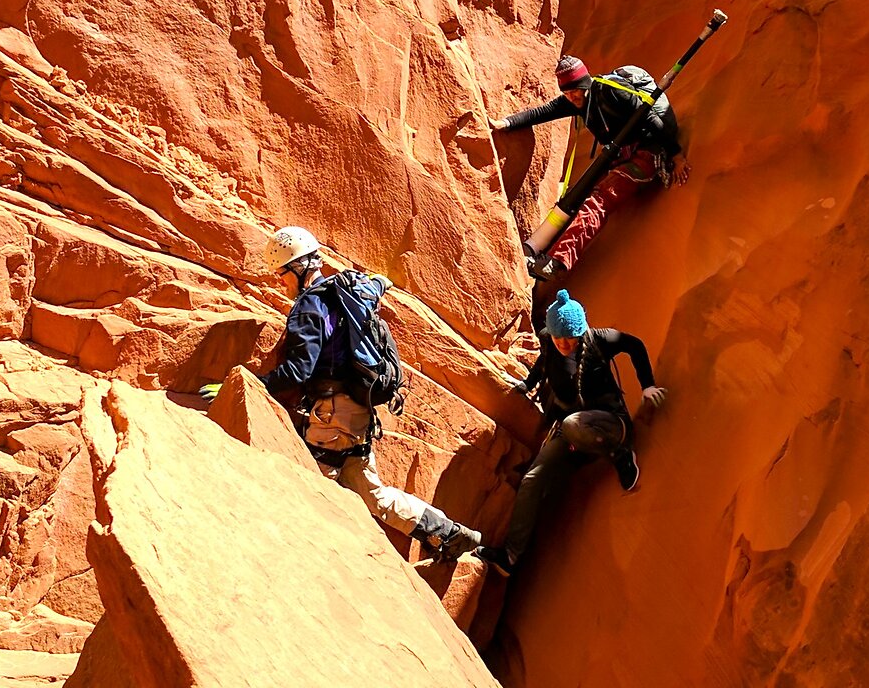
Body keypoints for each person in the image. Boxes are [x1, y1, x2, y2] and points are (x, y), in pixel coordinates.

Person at [200, 227, 481, 559]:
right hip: (357, 414)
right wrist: (381, 281)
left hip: (332, 420)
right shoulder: (349, 291)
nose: (282, 283)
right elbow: (376, 286)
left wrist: (245, 383)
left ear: (296, 268)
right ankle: (451, 534)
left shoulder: (308, 307)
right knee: (374, 497)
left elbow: (299, 370)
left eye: (282, 275)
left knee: (308, 490)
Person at [475, 289, 667, 575]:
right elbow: (544, 363)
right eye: (558, 337)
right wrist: (528, 384)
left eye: (571, 337)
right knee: (531, 480)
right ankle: (510, 557)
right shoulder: (550, 341)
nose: (565, 344)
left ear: (582, 330)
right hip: (571, 431)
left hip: (611, 424)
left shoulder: (599, 340)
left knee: (572, 425)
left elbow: (635, 345)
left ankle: (621, 455)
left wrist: (647, 385)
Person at [491, 55, 691, 281]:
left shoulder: (612, 91)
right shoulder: (577, 100)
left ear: (584, 83)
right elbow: (542, 112)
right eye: (566, 92)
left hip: (649, 153)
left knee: (600, 199)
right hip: (620, 156)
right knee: (575, 197)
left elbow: (653, 120)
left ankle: (555, 262)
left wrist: (676, 154)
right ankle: (535, 250)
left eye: (574, 90)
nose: (571, 96)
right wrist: (506, 123)